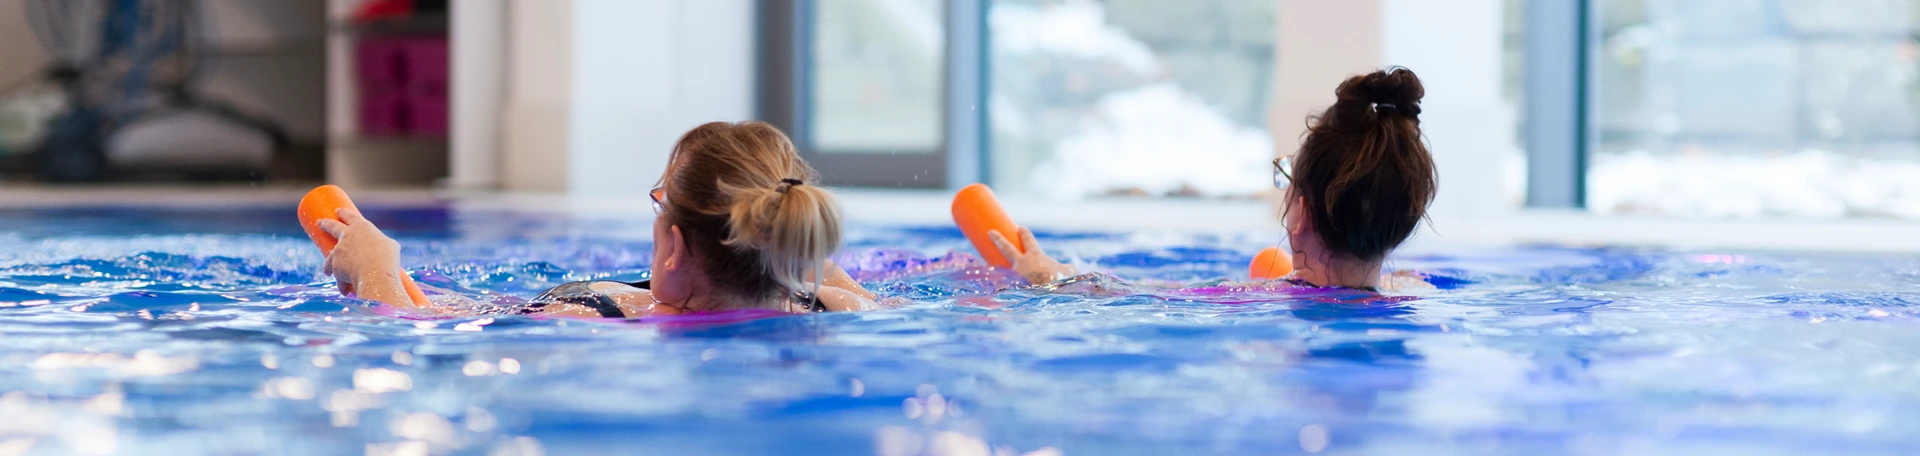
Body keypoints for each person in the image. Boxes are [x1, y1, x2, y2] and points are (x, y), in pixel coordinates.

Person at [319, 121, 880, 317]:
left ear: (675, 248)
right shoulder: (836, 303)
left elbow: (416, 335)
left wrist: (375, 271)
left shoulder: (592, 314)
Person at [990, 67, 1438, 292]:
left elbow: (1135, 293)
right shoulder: (1410, 291)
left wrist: (1050, 276)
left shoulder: (1263, 298)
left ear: (1300, 213)